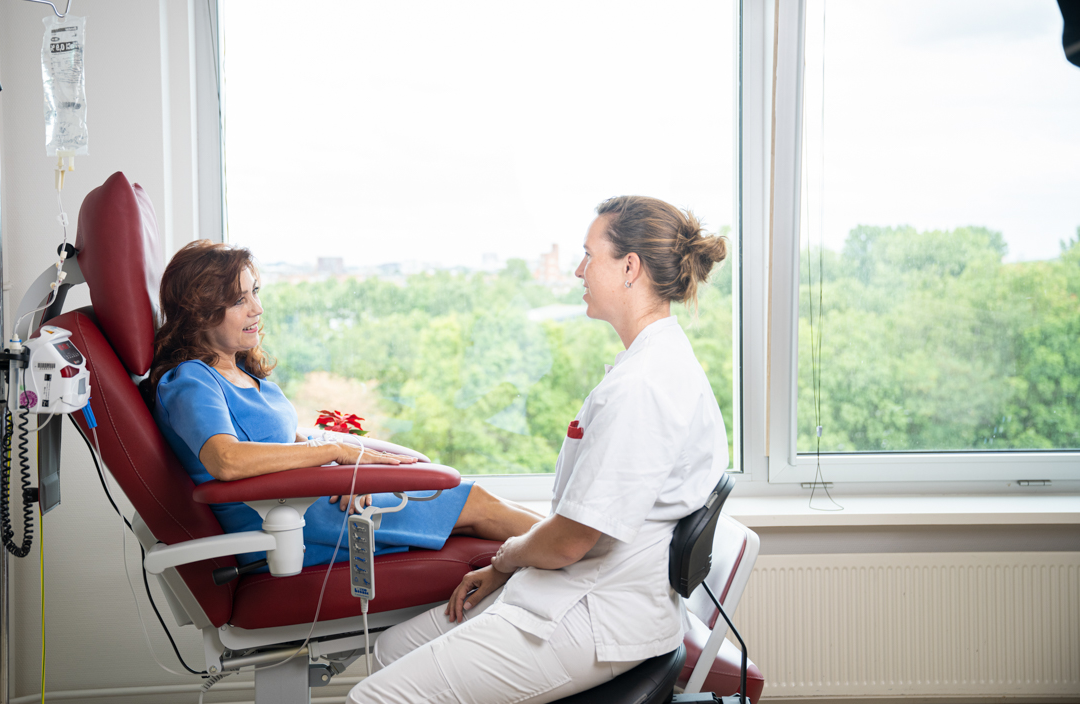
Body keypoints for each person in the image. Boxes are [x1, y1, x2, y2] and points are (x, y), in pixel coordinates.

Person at [347, 196, 729, 704]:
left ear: (630, 268)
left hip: (599, 615)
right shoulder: (651, 364)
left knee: (370, 699)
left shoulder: (643, 387)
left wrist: (505, 559)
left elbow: (572, 539)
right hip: (578, 589)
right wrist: (507, 569)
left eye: (589, 255)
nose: (579, 270)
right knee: (389, 651)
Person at [143, 240, 541, 568]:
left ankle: (571, 549)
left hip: (308, 504)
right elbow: (226, 460)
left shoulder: (240, 370)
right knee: (477, 504)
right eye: (238, 300)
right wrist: (334, 451)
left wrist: (344, 472)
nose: (257, 309)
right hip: (287, 523)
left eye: (255, 293)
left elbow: (284, 443)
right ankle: (575, 549)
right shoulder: (191, 380)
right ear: (199, 312)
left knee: (477, 510)